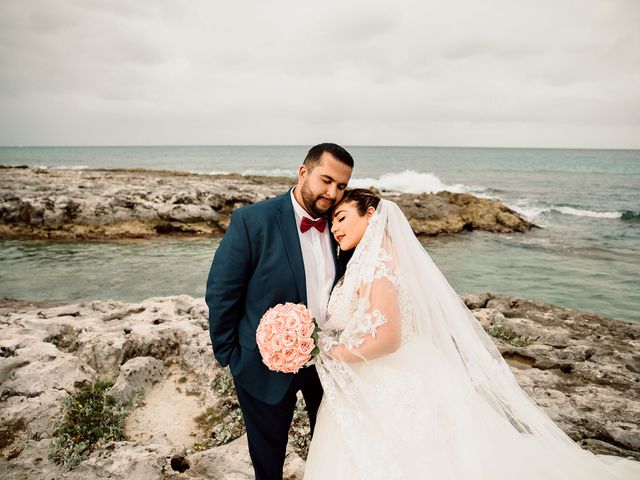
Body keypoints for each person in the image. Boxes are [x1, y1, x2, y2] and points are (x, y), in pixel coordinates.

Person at [303, 188, 640, 480]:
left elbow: (389, 336)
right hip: (380, 372)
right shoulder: (370, 258)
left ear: (371, 213)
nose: (335, 229)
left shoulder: (378, 259)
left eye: (342, 218)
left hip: (389, 374)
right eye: (332, 222)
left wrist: (335, 354)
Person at [205, 143, 353, 480]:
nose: (332, 193)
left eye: (341, 185)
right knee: (268, 457)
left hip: (329, 363)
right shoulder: (252, 221)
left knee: (332, 448)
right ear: (303, 172)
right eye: (326, 180)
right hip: (262, 364)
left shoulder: (341, 223)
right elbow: (221, 291)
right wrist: (230, 355)